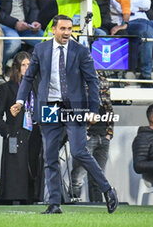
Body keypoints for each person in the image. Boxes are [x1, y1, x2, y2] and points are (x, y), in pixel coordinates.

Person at [10, 15, 118, 214]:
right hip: (50, 107)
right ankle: (54, 203)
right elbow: (29, 77)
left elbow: (92, 81)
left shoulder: (81, 51)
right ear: (54, 29)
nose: (67, 32)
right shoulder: (41, 50)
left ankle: (108, 190)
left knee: (78, 152)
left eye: (70, 29)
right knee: (50, 157)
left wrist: (93, 110)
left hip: (74, 107)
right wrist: (19, 100)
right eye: (63, 29)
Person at [0, 51, 43, 205]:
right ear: (17, 68)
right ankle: (12, 199)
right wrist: (8, 133)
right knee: (15, 169)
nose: (27, 68)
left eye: (29, 65)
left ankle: (32, 197)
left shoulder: (37, 86)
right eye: (24, 65)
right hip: (15, 134)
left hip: (34, 133)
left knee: (33, 167)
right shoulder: (6, 88)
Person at [71, 71, 114, 202]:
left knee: (97, 177)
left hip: (103, 137)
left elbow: (109, 110)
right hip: (87, 137)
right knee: (78, 177)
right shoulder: (78, 85)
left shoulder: (103, 84)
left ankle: (97, 207)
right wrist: (83, 134)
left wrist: (109, 134)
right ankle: (72, 204)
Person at [0, 0, 44, 71]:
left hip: (26, 25)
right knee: (14, 42)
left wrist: (34, 21)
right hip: (4, 24)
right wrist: (14, 23)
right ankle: (1, 69)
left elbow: (34, 8)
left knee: (47, 41)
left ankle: (29, 67)